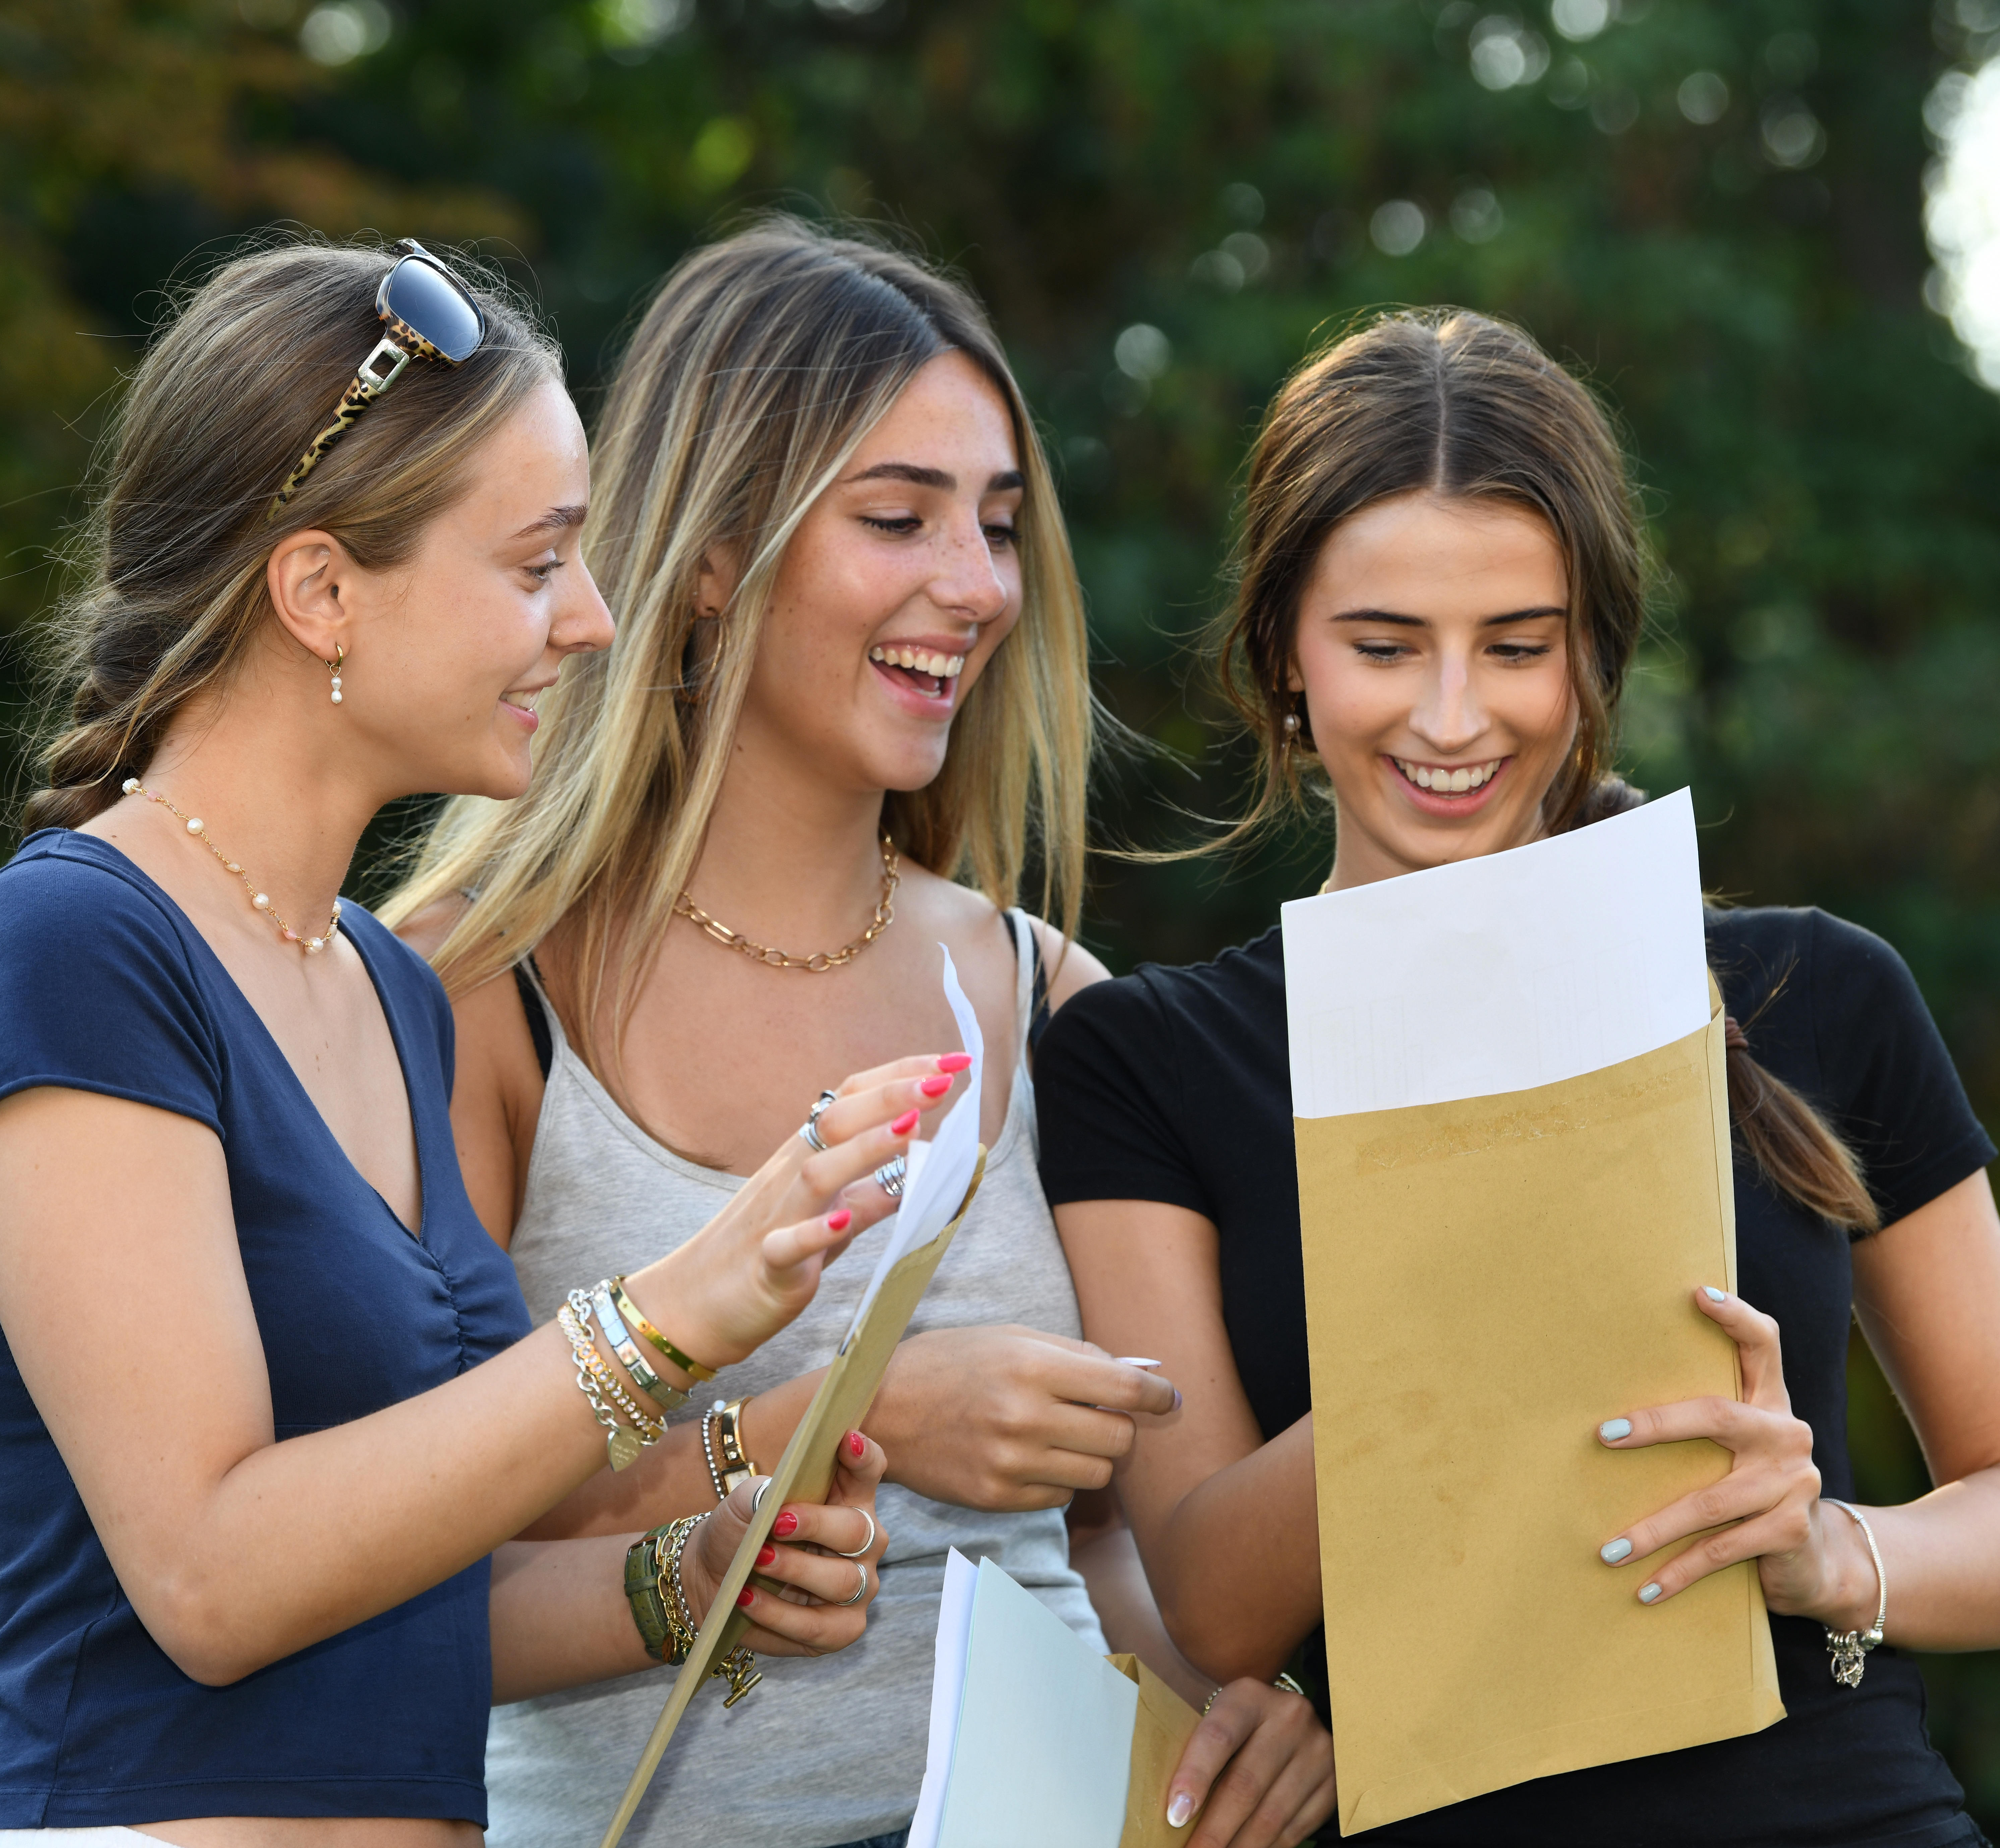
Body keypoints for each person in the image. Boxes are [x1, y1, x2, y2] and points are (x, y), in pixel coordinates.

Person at [0, 238, 945, 1848]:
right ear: (320, 590)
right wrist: (666, 1319)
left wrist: (685, 1576)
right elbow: (213, 1580)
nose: (593, 620)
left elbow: (400, 1597)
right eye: (536, 564)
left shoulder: (383, 982)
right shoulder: (78, 954)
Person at [1039, 308, 2000, 1848]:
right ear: (1283, 648)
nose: (1455, 716)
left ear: (1593, 650)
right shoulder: (1145, 1059)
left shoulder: (1821, 993)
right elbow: (1212, 1596)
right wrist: (1487, 1278)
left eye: (1518, 647)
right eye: (1385, 643)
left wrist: (1824, 1548)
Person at [385, 218, 1324, 1848]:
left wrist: (1249, 1718)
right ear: (703, 550)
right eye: (898, 518)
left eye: (1002, 525)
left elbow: (1117, 1549)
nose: (975, 587)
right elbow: (384, 1560)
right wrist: (879, 1420)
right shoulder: (469, 993)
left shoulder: (1050, 1001)